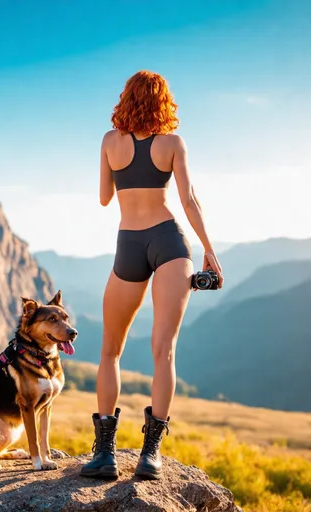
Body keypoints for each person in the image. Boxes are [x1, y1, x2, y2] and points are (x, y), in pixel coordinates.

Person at [80, 70, 223, 481]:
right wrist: (209, 252)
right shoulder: (174, 143)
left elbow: (106, 199)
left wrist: (119, 171)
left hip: (128, 243)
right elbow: (188, 199)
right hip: (169, 242)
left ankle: (104, 454)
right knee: (165, 350)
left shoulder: (110, 141)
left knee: (110, 350)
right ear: (164, 101)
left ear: (126, 99)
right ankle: (150, 457)